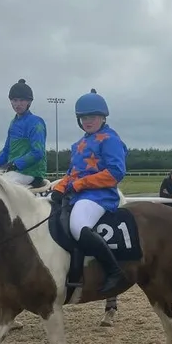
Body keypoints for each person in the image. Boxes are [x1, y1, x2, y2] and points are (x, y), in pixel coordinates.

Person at [51, 89, 127, 295]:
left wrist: (81, 184)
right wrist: (59, 187)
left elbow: (115, 173)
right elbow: (72, 173)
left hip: (100, 196)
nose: (88, 121)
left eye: (92, 117)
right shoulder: (79, 144)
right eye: (83, 117)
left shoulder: (110, 139)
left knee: (77, 226)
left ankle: (114, 271)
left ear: (103, 117)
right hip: (77, 194)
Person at [0, 79, 48, 186]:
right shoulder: (13, 123)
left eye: (22, 100)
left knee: (2, 184)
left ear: (29, 102)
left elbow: (38, 152)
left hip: (32, 173)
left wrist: (15, 164)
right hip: (14, 172)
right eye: (15, 100)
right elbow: (7, 151)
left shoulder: (36, 122)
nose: (18, 104)